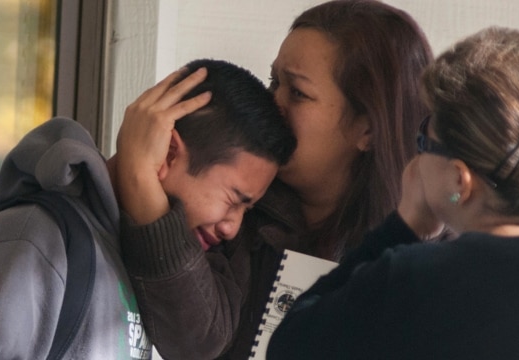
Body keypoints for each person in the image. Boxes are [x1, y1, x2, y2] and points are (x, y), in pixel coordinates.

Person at [266, 26, 519, 360]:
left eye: (424, 141)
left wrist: (404, 225)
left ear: (459, 182)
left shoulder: (418, 281)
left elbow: (292, 344)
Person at [116, 1, 434, 359]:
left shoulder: (425, 257)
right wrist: (139, 179)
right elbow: (195, 338)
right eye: (274, 82)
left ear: (368, 128)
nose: (272, 103)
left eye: (297, 93)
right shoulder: (231, 217)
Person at [0, 58, 295, 359]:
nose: (232, 227)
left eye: (246, 210)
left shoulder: (137, 259)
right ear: (168, 151)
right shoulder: (34, 240)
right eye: (233, 199)